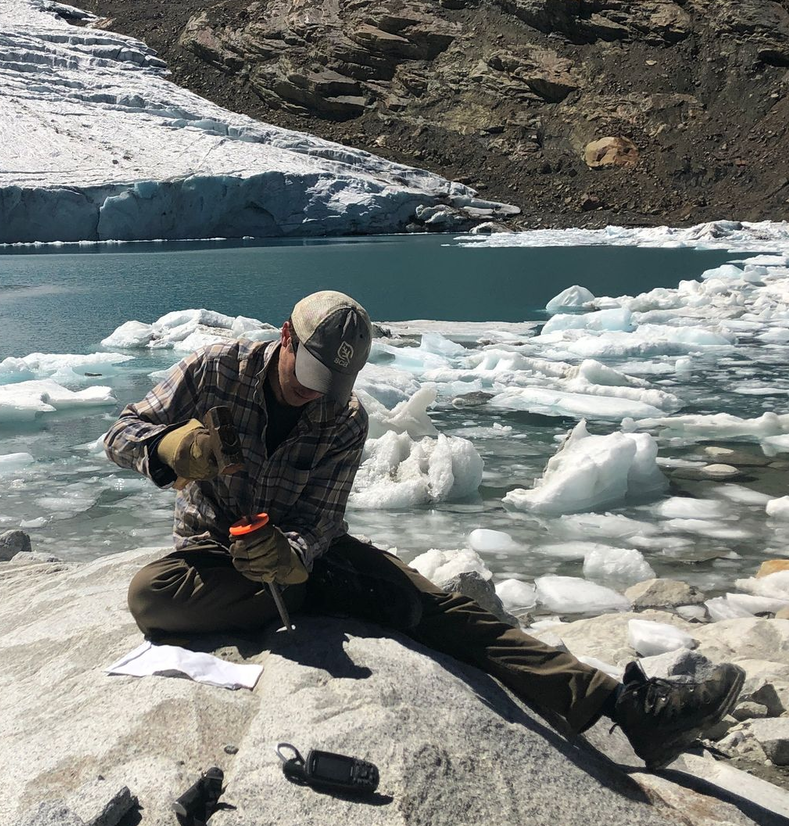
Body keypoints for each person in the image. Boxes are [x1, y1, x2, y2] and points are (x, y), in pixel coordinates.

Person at [104, 290, 745, 770]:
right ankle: (313, 599)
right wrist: (167, 451)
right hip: (214, 556)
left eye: (332, 385)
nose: (315, 395)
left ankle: (626, 708)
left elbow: (322, 521)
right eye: (309, 377)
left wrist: (293, 559)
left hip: (305, 560)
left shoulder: (342, 416)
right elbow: (119, 434)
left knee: (440, 610)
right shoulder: (216, 368)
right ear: (285, 340)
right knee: (149, 598)